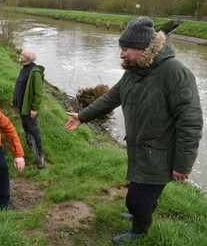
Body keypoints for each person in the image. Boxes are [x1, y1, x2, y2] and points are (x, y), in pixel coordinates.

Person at [65, 17, 203, 244]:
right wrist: (83, 116)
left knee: (136, 200)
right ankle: (143, 212)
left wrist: (183, 164)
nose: (121, 54)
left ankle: (140, 230)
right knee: (142, 196)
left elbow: (191, 122)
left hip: (160, 152)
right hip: (140, 149)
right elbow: (112, 97)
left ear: (142, 49)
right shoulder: (135, 70)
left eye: (125, 49)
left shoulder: (175, 73)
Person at [13, 49, 45, 169]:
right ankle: (30, 149)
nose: (19, 56)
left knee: (34, 130)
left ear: (26, 58)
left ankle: (40, 156)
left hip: (29, 108)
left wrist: (34, 109)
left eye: (21, 54)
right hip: (21, 106)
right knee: (26, 128)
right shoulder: (24, 68)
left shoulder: (34, 72)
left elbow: (38, 93)